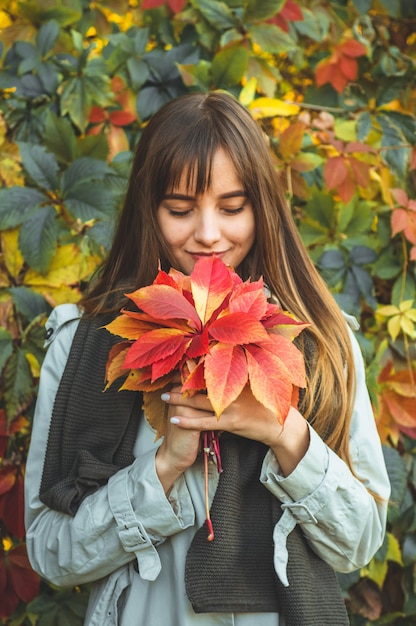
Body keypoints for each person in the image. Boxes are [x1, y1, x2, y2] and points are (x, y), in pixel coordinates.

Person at [25, 91, 390, 626]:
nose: (208, 234)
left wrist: (285, 433)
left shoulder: (320, 343)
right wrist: (163, 467)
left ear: (262, 206)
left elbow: (357, 544)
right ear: (148, 210)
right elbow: (50, 551)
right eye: (179, 209)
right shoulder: (83, 349)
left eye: (232, 206)